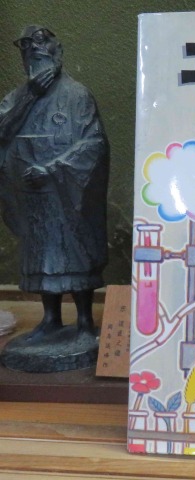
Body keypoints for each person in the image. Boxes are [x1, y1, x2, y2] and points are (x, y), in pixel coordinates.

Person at [0, 26, 109, 341]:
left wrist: (53, 169)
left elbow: (94, 144)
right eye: (26, 48)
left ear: (56, 49)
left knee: (75, 251)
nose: (33, 52)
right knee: (41, 255)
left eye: (40, 44)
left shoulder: (77, 95)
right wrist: (29, 95)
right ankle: (50, 318)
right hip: (31, 194)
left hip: (68, 189)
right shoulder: (16, 98)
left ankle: (85, 320)